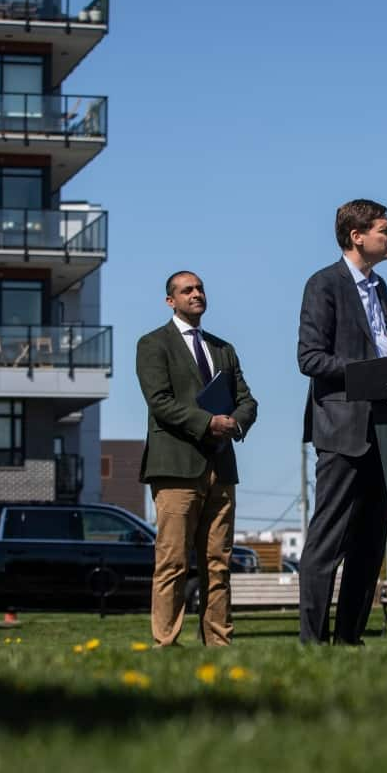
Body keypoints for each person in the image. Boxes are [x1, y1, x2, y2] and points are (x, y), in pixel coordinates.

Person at [136, 271, 257, 647]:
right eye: (187, 290)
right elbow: (160, 402)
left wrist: (235, 422)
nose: (196, 294)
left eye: (200, 288)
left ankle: (218, 644)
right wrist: (208, 422)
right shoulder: (154, 344)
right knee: (172, 562)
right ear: (170, 300)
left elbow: (247, 399)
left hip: (221, 469)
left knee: (218, 565)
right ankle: (166, 643)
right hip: (176, 468)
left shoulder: (223, 349)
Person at [297, 198, 387, 645]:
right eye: (384, 230)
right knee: (327, 541)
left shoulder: (381, 288)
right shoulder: (324, 285)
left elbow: (386, 350)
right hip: (341, 429)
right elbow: (310, 358)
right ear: (357, 236)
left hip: (385, 431)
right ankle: (313, 644)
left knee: (370, 544)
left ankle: (349, 638)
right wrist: (368, 372)